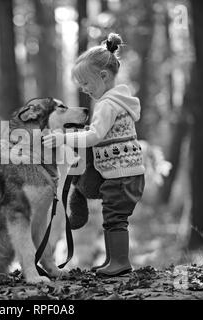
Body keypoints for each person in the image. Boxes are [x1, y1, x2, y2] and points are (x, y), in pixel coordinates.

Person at [43, 33, 145, 276]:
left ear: (103, 76)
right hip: (125, 172)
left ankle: (120, 262)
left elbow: (95, 136)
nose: (83, 89)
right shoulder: (119, 101)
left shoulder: (108, 104)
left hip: (122, 174)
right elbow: (101, 135)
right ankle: (114, 260)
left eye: (86, 83)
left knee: (115, 218)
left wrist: (63, 138)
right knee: (113, 217)